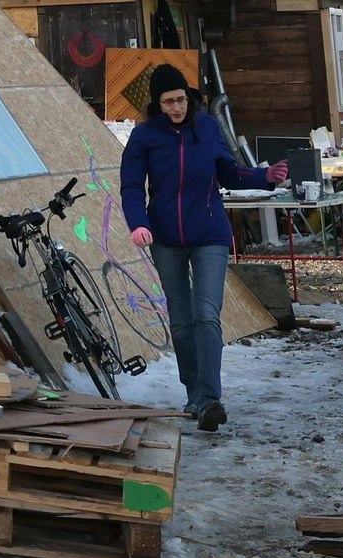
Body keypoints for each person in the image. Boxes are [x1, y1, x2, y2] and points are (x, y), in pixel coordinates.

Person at [119, 63, 287, 432]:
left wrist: (263, 175)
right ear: (157, 104)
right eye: (168, 102)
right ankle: (193, 392)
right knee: (181, 322)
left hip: (210, 234)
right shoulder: (144, 137)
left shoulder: (207, 127)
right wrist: (139, 224)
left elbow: (228, 172)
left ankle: (211, 399)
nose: (176, 108)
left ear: (188, 97)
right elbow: (131, 187)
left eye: (180, 100)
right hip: (164, 238)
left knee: (206, 315)